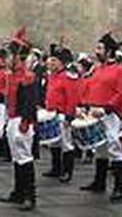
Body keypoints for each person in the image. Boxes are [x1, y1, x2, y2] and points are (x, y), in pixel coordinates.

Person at [79, 32, 122, 202]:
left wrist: (107, 108)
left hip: (109, 114)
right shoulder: (97, 69)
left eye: (100, 48)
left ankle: (119, 187)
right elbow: (90, 88)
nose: (96, 51)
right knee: (100, 149)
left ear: (109, 52)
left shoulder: (120, 70)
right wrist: (84, 105)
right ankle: (99, 182)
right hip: (94, 112)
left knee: (114, 147)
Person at [0, 28, 38, 211]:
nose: (7, 59)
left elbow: (31, 102)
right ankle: (18, 192)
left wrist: (25, 122)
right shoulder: (12, 75)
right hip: (13, 118)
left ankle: (29, 196)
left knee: (25, 157)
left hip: (22, 120)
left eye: (10, 55)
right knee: (16, 157)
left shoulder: (27, 77)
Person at [43, 43, 80, 183]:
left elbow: (72, 97)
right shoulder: (52, 76)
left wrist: (69, 116)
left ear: (61, 63)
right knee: (54, 143)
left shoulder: (67, 76)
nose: (49, 62)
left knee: (67, 143)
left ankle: (67, 171)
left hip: (62, 114)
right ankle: (56, 168)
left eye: (53, 60)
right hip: (51, 113)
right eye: (50, 59)